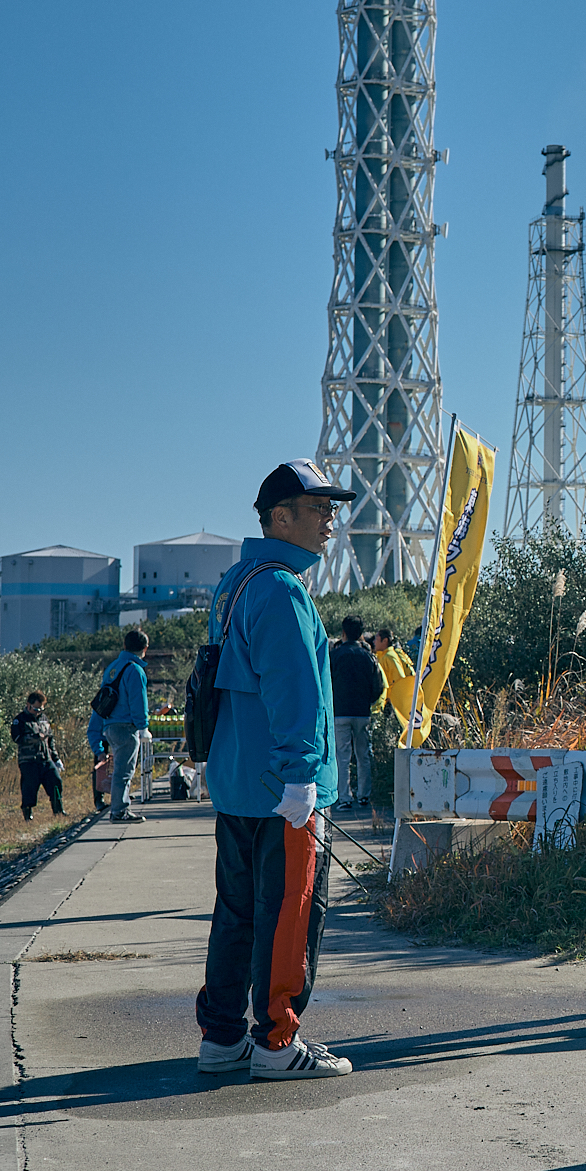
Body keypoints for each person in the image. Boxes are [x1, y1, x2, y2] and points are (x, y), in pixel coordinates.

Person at [194, 459, 355, 1082]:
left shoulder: (236, 581)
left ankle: (224, 1035)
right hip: (282, 792)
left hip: (237, 783)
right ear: (278, 517)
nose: (329, 524)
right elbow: (295, 692)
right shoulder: (283, 590)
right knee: (290, 912)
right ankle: (277, 1042)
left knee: (236, 912)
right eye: (318, 510)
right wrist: (301, 777)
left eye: (330, 511)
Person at [87, 629, 152, 824]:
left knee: (119, 770)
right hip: (126, 727)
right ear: (145, 649)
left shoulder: (112, 668)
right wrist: (143, 727)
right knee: (124, 771)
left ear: (124, 645)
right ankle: (119, 811)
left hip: (110, 726)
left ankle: (118, 808)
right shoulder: (135, 670)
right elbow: (138, 701)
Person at [328, 615, 385, 809]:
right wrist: (368, 701)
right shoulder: (368, 656)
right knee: (363, 755)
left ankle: (344, 797)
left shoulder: (334, 656)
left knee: (342, 757)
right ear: (361, 634)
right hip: (362, 712)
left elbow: (325, 683)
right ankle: (364, 795)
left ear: (343, 632)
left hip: (340, 712)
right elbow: (378, 685)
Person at [11, 691, 66, 821]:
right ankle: (28, 814)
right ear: (28, 705)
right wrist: (34, 738)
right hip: (29, 761)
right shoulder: (19, 720)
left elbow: (50, 741)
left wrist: (56, 759)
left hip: (46, 759)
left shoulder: (44, 719)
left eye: (40, 709)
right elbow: (17, 738)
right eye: (35, 709)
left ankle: (58, 810)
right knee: (29, 787)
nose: (38, 712)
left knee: (56, 781)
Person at [372, 626, 415, 732]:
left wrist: (392, 699)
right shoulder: (383, 656)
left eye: (376, 639)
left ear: (385, 641)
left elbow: (400, 679)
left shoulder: (390, 656)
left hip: (391, 704)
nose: (374, 642)